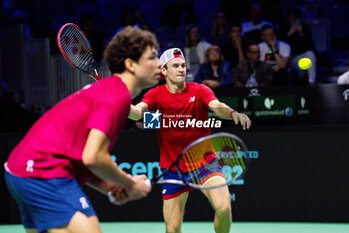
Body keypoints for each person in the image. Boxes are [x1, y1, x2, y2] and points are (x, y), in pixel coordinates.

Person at [4, 27, 160, 233]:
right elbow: (94, 157)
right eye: (152, 57)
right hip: (43, 172)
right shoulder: (116, 96)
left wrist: (109, 185)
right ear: (131, 64)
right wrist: (130, 183)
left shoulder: (112, 93)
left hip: (21, 171)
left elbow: (80, 157)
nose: (159, 64)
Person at [129, 48, 251, 233]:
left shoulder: (200, 90)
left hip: (204, 163)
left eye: (183, 66)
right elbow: (137, 112)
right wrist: (121, 102)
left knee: (224, 207)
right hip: (172, 169)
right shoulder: (155, 94)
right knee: (172, 229)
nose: (181, 69)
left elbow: (217, 106)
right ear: (164, 70)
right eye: (175, 66)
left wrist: (233, 113)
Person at [277, 8, 317, 85]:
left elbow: (311, 46)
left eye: (296, 18)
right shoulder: (282, 28)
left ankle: (311, 82)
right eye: (292, 19)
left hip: (300, 59)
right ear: (288, 18)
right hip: (287, 60)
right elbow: (280, 45)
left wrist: (301, 34)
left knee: (310, 54)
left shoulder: (305, 28)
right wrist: (290, 33)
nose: (294, 21)